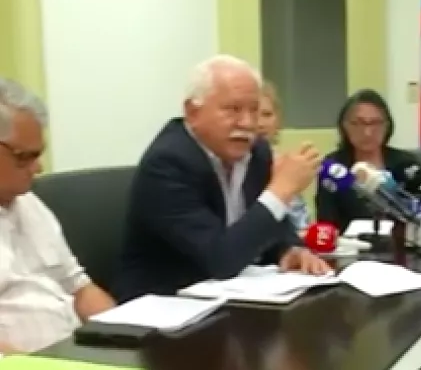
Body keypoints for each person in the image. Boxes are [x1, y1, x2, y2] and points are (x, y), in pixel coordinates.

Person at [117, 55, 330, 302]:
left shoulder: (256, 152)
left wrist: (288, 249)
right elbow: (219, 259)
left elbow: (269, 222)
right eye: (233, 109)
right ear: (192, 112)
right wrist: (281, 189)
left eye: (254, 110)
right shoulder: (168, 163)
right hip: (163, 306)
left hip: (230, 297)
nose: (247, 123)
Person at [0, 78, 115, 354]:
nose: (38, 168)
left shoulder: (29, 203)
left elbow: (81, 288)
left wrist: (125, 335)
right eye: (24, 157)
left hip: (73, 356)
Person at [315, 89, 421, 233]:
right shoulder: (333, 168)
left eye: (375, 123)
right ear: (344, 126)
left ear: (387, 125)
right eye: (358, 123)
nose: (367, 132)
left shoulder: (405, 164)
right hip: (350, 245)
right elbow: (326, 223)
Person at [258, 81, 311, 231]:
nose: (261, 123)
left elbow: (301, 223)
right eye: (254, 114)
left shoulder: (286, 163)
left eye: (267, 115)